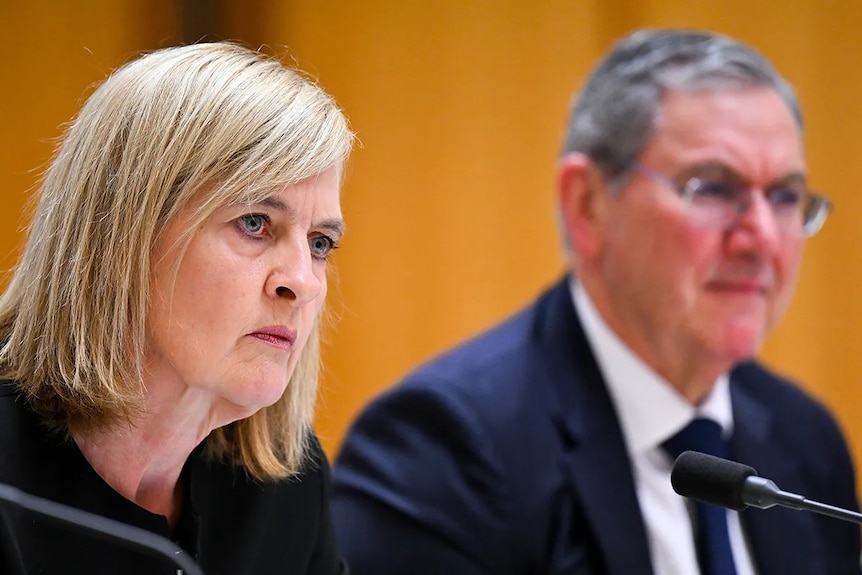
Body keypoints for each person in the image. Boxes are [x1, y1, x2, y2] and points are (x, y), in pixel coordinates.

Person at [331, 28, 862, 575]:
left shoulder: (805, 442)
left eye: (784, 197)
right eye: (713, 188)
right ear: (586, 205)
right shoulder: (442, 453)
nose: (764, 240)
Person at [0, 42, 353, 574]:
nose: (302, 282)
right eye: (255, 223)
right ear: (122, 232)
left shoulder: (283, 487)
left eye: (320, 243)